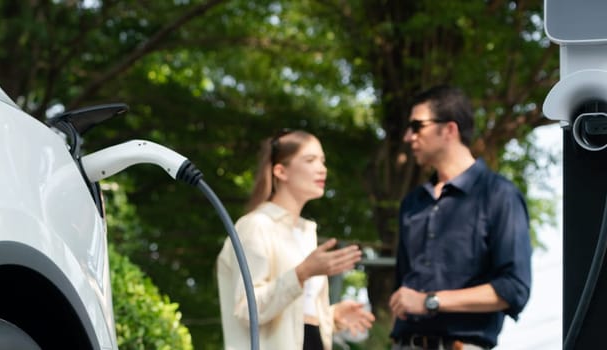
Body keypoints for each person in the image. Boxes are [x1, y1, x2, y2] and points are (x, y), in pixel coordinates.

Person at [388, 85, 532, 350]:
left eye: (417, 126)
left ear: (449, 130)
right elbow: (403, 289)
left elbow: (514, 288)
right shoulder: (412, 203)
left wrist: (430, 301)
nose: (408, 137)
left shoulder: (500, 195)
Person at [217, 129, 376, 350]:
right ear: (281, 171)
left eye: (323, 161)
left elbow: (295, 321)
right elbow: (247, 309)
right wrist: (302, 273)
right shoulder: (255, 225)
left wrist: (331, 317)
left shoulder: (305, 232)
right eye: (310, 160)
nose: (322, 169)